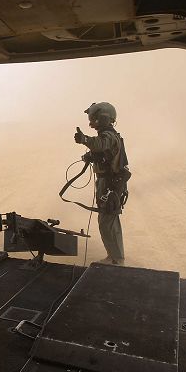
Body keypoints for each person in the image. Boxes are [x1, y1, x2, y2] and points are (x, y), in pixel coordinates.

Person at [74, 102, 129, 265]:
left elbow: (100, 144)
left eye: (94, 119)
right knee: (108, 220)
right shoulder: (109, 135)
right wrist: (91, 157)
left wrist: (85, 140)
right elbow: (103, 152)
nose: (91, 123)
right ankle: (114, 256)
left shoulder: (109, 136)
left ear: (103, 118)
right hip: (107, 182)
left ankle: (117, 259)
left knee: (107, 221)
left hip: (111, 184)